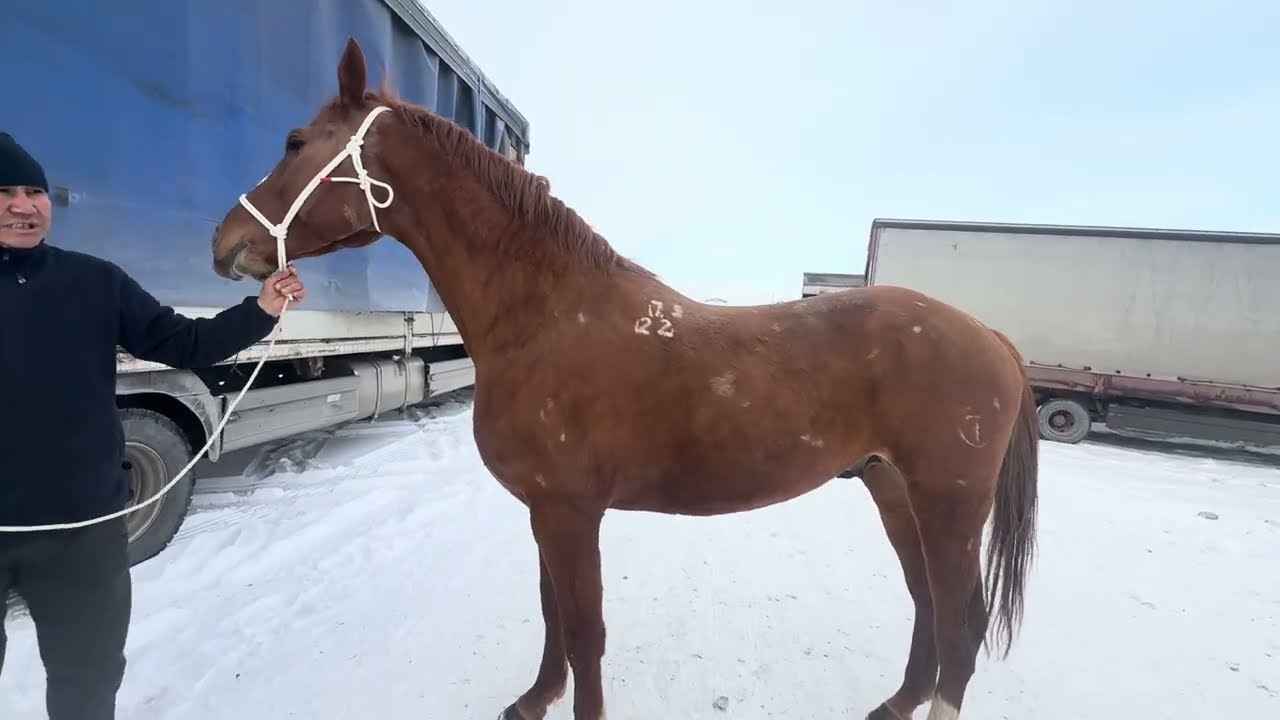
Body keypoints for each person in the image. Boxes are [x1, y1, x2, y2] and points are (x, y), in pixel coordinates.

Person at [0, 131, 306, 719]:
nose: (23, 205)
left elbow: (182, 341)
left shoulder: (94, 281)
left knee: (87, 680)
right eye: (5, 191)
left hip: (81, 529)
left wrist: (260, 309)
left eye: (34, 191)